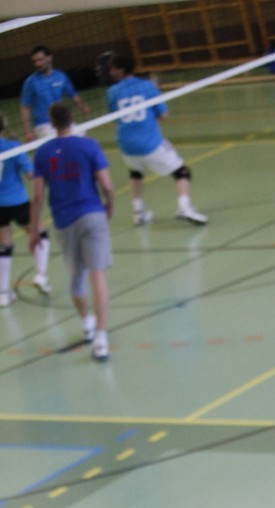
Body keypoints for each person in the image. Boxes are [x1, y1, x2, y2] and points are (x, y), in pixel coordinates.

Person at [29, 101, 114, 361]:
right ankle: (101, 338)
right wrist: (109, 206)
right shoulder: (89, 145)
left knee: (76, 277)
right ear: (72, 118)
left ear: (52, 123)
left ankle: (87, 322)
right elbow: (107, 185)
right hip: (92, 214)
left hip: (64, 221)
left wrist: (33, 229)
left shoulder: (42, 153)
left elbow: (38, 195)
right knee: (97, 276)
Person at [106, 55, 208, 225]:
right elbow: (163, 115)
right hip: (149, 143)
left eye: (112, 68)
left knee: (135, 172)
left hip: (125, 144)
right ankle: (185, 208)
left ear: (121, 70)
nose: (110, 72)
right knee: (182, 172)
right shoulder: (147, 86)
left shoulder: (112, 92)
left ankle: (138, 213)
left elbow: (115, 118)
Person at [0, 113, 51, 307]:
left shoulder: (12, 146)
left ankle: (3, 294)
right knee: (40, 233)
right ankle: (41, 275)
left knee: (4, 246)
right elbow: (31, 174)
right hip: (17, 202)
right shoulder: (12, 146)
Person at [20, 45, 90, 142]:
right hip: (43, 124)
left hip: (62, 120)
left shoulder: (60, 76)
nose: (38, 64)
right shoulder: (30, 82)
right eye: (35, 61)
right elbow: (25, 107)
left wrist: (82, 106)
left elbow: (72, 94)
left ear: (49, 58)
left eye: (41, 60)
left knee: (84, 139)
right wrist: (27, 132)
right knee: (60, 142)